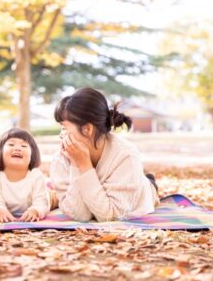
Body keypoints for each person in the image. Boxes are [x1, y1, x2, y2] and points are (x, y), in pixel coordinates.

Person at [50, 87, 159, 222]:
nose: (61, 135)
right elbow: (79, 215)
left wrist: (84, 165)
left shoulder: (126, 156)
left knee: (147, 186)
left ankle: (149, 181)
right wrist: (76, 165)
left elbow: (109, 215)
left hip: (141, 193)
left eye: (64, 128)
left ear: (87, 129)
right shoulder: (60, 159)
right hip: (113, 184)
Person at [0, 128, 50, 223]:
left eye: (24, 146)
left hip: (47, 197)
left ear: (32, 155)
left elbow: (41, 202)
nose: (17, 148)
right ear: (0, 152)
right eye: (11, 144)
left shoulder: (36, 175)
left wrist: (35, 211)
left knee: (54, 198)